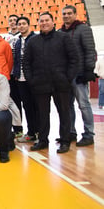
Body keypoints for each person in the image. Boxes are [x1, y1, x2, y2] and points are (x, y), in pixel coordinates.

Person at [23, 12, 79, 153]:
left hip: (61, 84)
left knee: (64, 113)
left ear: (53, 22)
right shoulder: (33, 41)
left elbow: (74, 59)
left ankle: (65, 141)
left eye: (47, 20)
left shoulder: (63, 38)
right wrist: (31, 80)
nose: (44, 23)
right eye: (41, 21)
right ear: (39, 23)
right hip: (40, 84)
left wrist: (68, 78)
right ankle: (42, 140)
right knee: (42, 114)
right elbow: (26, 63)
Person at [60, 5, 96, 146]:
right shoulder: (61, 32)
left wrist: (88, 70)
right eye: (64, 14)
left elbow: (90, 51)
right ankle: (70, 132)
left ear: (75, 14)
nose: (67, 16)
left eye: (69, 13)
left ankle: (89, 134)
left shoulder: (84, 29)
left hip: (80, 74)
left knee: (83, 105)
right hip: (65, 76)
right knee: (67, 106)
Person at [13, 17, 38, 143]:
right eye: (19, 24)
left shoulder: (35, 39)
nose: (21, 26)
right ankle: (31, 132)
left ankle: (39, 132)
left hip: (33, 78)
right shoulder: (17, 42)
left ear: (29, 25)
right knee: (27, 106)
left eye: (23, 24)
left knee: (37, 106)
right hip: (21, 79)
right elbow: (17, 61)